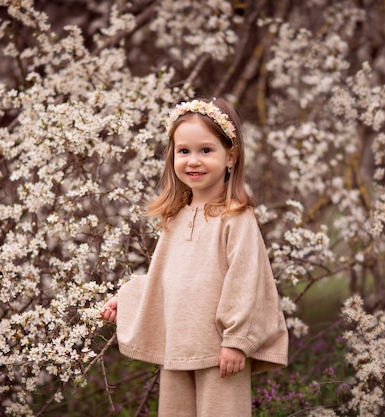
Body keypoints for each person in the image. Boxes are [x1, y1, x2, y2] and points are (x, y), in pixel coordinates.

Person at [101, 97, 288, 417]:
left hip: (220, 352)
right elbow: (168, 278)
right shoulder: (175, 217)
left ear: (230, 156)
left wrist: (236, 340)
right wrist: (128, 299)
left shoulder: (236, 217)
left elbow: (245, 279)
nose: (193, 161)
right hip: (179, 345)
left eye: (206, 150)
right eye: (183, 151)